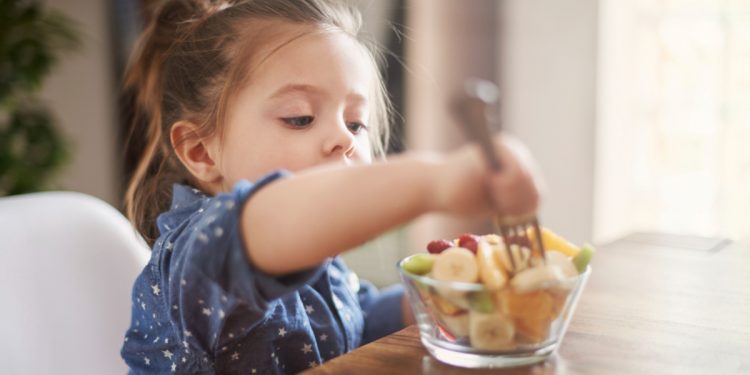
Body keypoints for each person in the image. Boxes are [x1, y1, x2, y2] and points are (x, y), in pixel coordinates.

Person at [120, 0, 542, 373]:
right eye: (300, 118)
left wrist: (440, 295)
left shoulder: (319, 260)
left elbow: (357, 319)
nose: (345, 138)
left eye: (356, 123)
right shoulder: (198, 256)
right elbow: (277, 218)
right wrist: (435, 180)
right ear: (200, 152)